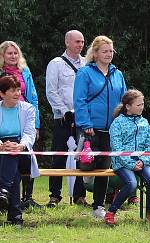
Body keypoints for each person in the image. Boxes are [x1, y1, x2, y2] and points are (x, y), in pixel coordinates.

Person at [73, 35, 128, 220]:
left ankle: (98, 206)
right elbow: (79, 100)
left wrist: (122, 123)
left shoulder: (117, 74)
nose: (109, 54)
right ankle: (84, 183)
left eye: (111, 51)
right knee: (87, 166)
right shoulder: (85, 73)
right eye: (104, 51)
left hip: (111, 129)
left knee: (104, 169)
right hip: (90, 129)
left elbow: (124, 101)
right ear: (95, 53)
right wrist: (85, 124)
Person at [105, 89, 150, 225]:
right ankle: (111, 212)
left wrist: (143, 161)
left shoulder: (144, 122)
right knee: (131, 184)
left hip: (142, 162)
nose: (142, 107)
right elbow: (117, 149)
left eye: (142, 104)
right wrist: (130, 164)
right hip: (122, 163)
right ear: (128, 106)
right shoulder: (117, 124)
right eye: (138, 105)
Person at [45, 30, 87, 207]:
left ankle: (80, 195)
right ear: (67, 42)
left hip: (82, 117)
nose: (80, 45)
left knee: (81, 156)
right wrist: (64, 111)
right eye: (77, 41)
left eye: (83, 42)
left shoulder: (87, 64)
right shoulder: (56, 64)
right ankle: (54, 195)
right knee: (59, 155)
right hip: (62, 117)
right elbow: (51, 91)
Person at [0, 40, 41, 210]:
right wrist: (3, 145)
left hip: (22, 127)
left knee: (14, 154)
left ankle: (5, 192)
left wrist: (35, 125)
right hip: (3, 130)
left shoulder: (25, 72)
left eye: (15, 53)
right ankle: (15, 213)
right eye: (9, 53)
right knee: (11, 158)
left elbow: (33, 97)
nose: (13, 56)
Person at [0, 75, 39, 227]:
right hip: (2, 151)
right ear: (2, 94)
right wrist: (1, 145)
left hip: (22, 151)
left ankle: (3, 189)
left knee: (12, 156)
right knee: (13, 172)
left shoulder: (28, 108)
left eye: (18, 90)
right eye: (12, 90)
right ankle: (16, 217)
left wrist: (20, 146)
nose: (17, 93)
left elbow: (30, 134)